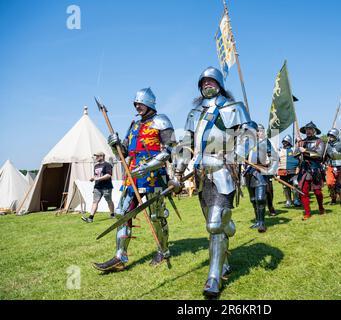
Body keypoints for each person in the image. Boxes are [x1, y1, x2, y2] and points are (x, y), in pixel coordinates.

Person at [173, 66, 257, 297]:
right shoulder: (194, 113)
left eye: (211, 81)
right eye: (203, 82)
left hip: (224, 172)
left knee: (213, 225)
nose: (207, 85)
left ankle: (213, 278)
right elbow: (185, 144)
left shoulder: (234, 108)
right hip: (202, 176)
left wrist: (238, 153)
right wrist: (178, 171)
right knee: (215, 228)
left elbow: (249, 132)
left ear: (219, 84)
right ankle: (227, 240)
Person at [92, 86, 176, 272]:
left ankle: (163, 251)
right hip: (133, 178)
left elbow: (169, 150)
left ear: (149, 103)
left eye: (140, 103)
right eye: (135, 103)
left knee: (156, 216)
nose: (137, 106)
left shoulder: (161, 121)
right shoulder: (134, 125)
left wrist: (146, 166)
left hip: (154, 177)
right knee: (123, 214)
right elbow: (125, 152)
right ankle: (119, 257)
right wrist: (114, 144)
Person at [243, 124, 278, 232]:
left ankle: (262, 224)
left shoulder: (265, 142)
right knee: (253, 200)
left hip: (260, 172)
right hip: (249, 173)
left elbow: (274, 157)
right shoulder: (247, 143)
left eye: (258, 131)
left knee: (260, 199)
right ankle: (258, 221)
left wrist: (271, 171)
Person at [296, 121, 325, 220]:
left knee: (317, 192)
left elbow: (319, 155)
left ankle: (321, 207)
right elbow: (295, 155)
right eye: (307, 129)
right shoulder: (302, 142)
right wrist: (298, 147)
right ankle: (307, 213)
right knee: (303, 192)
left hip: (315, 168)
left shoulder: (319, 142)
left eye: (310, 129)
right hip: (304, 169)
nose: (308, 131)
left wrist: (306, 151)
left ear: (314, 131)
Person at [81, 152, 115, 223]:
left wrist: (98, 178)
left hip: (106, 187)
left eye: (97, 156)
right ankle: (90, 218)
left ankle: (112, 214)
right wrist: (93, 178)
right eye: (95, 156)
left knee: (109, 201)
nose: (96, 158)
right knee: (95, 202)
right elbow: (96, 175)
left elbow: (108, 175)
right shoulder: (96, 166)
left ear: (102, 156)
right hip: (97, 187)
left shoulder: (107, 165)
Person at [277, 135, 300, 207]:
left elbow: (300, 160)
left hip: (293, 170)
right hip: (283, 171)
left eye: (285, 142)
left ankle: (296, 200)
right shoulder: (280, 151)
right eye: (283, 142)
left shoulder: (294, 149)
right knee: (285, 186)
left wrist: (298, 168)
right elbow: (277, 161)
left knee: (295, 184)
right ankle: (288, 200)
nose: (284, 143)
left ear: (289, 142)